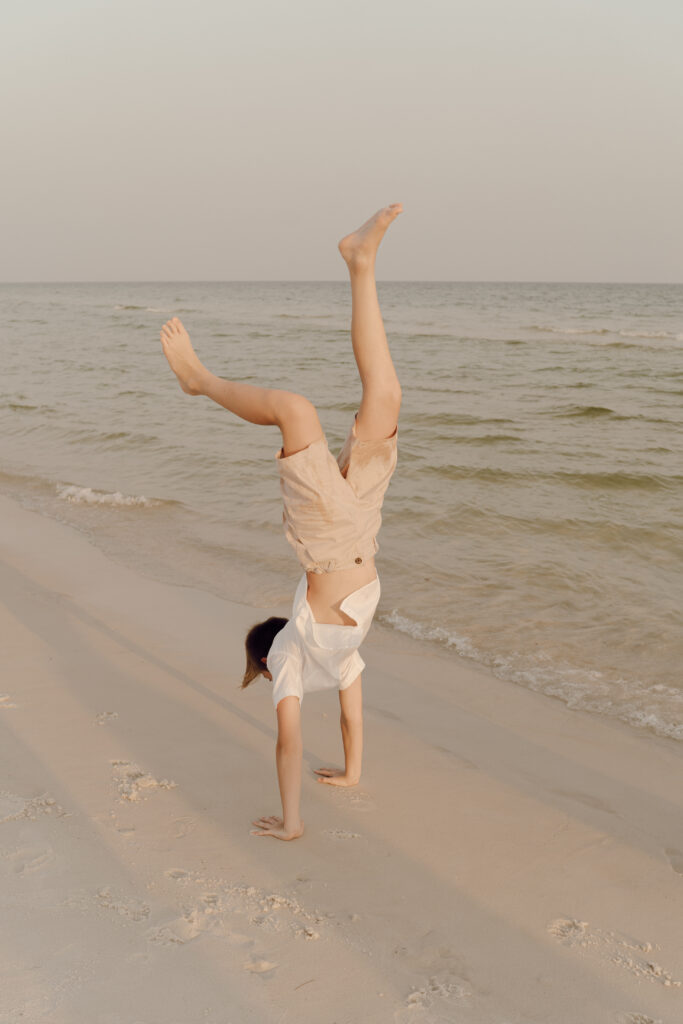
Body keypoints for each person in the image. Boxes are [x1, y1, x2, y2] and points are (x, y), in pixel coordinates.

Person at [159, 203, 403, 841]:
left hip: (331, 543)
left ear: (267, 660)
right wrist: (350, 775)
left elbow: (288, 743)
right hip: (362, 528)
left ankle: (200, 380)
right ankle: (361, 264)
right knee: (385, 400)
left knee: (295, 410)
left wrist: (295, 820)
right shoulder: (334, 662)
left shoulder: (293, 654)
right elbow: (349, 722)